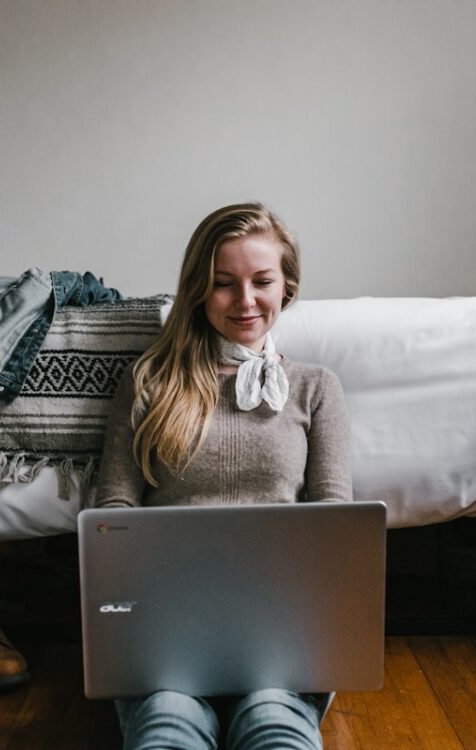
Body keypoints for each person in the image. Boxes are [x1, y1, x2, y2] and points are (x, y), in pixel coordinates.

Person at [94, 202, 353, 750]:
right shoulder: (148, 383)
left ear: (287, 287)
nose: (245, 301)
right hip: (165, 636)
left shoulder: (316, 388)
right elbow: (112, 516)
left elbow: (337, 530)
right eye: (223, 284)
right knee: (168, 725)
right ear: (197, 290)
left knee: (273, 726)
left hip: (282, 638)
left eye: (262, 281)